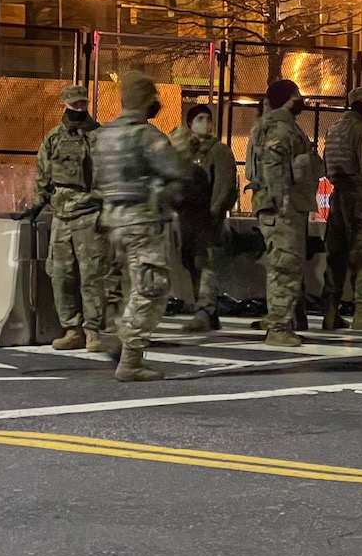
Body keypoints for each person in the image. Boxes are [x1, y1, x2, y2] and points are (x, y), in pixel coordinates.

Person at [93, 71, 189, 383]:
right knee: (151, 289)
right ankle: (131, 357)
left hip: (113, 222)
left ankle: (118, 338)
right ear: (148, 101)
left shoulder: (104, 136)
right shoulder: (147, 136)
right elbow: (176, 174)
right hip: (142, 222)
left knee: (127, 287)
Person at [28, 86, 117, 354]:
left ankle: (92, 331)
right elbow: (43, 173)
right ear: (64, 105)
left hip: (90, 213)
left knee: (92, 274)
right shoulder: (53, 138)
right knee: (60, 274)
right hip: (61, 215)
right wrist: (36, 204)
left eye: (82, 104)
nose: (79, 108)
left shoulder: (100, 138)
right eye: (74, 104)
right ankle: (72, 329)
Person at [246, 79, 319, 348]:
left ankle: (280, 321)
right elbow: (275, 169)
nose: (301, 99)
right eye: (297, 94)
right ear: (289, 97)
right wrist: (283, 203)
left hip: (282, 206)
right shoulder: (280, 128)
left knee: (283, 266)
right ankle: (278, 327)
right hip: (283, 208)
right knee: (285, 266)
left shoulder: (271, 125)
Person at [171, 104, 239, 332]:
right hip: (188, 220)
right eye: (199, 118)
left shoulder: (218, 151)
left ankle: (205, 309)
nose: (205, 122)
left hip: (208, 220)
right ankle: (208, 312)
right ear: (190, 124)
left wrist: (216, 211)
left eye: (207, 118)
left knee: (208, 264)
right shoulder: (187, 153)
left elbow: (225, 185)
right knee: (192, 264)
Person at [321, 86, 362, 331]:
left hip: (337, 195)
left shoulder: (333, 130)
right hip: (359, 196)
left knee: (336, 256)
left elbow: (325, 165)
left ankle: (330, 312)